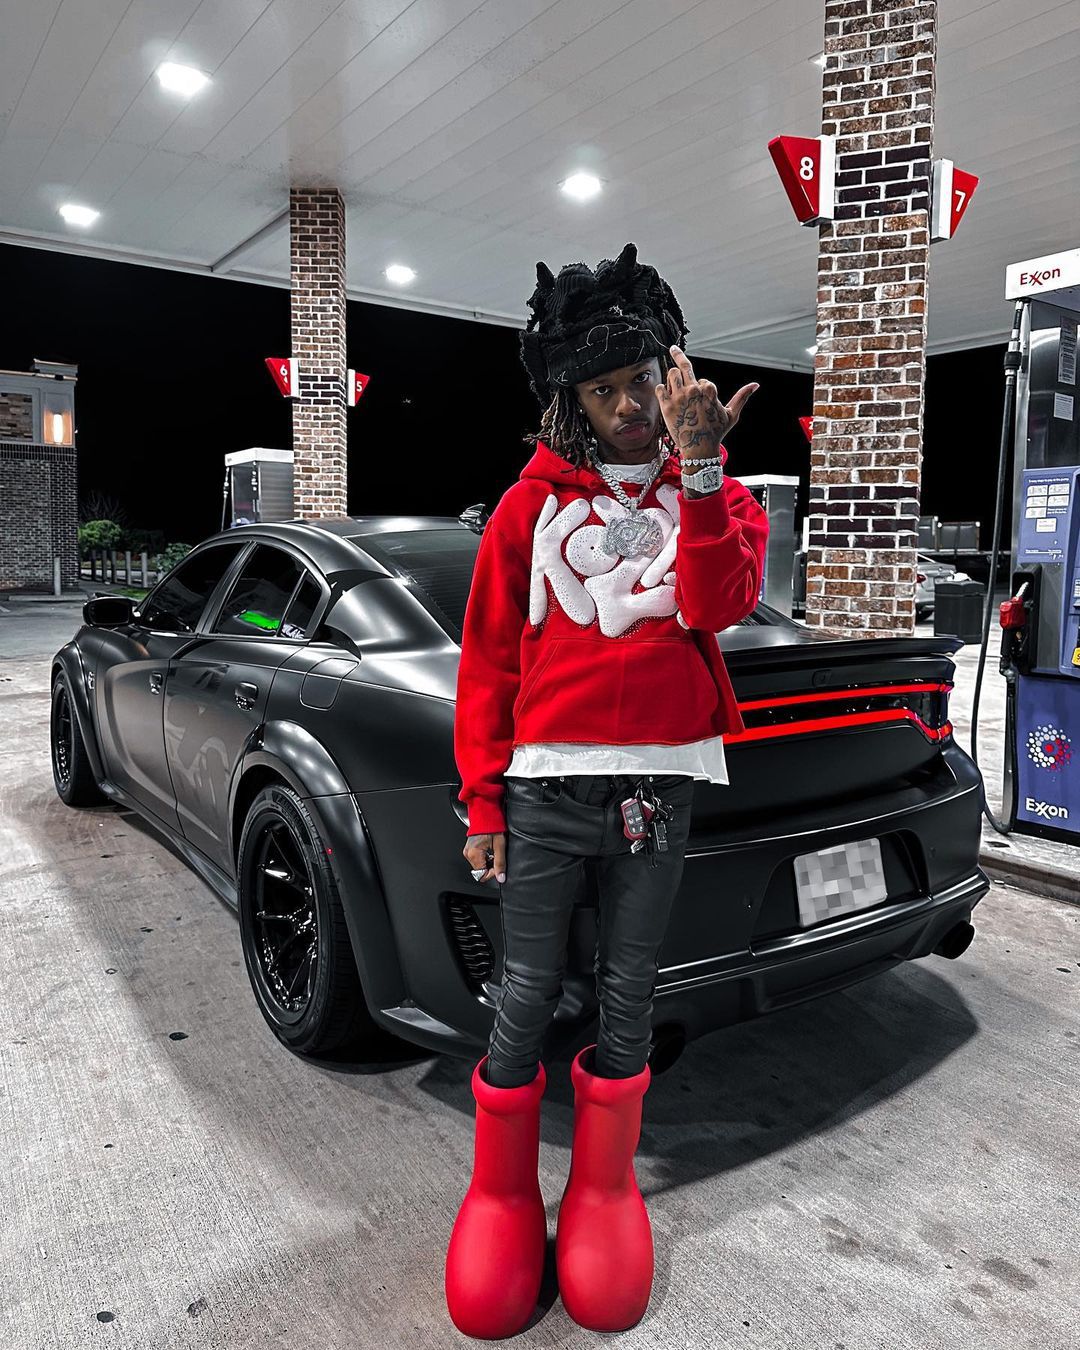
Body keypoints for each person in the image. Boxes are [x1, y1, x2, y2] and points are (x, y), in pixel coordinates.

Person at [445, 241, 769, 1338]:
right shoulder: (526, 508)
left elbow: (716, 605)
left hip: (660, 791)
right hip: (546, 790)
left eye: (643, 379)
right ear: (569, 401)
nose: (630, 407)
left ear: (675, 374)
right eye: (603, 389)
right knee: (527, 990)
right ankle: (500, 1195)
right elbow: (489, 658)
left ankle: (601, 1190)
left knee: (629, 992)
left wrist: (704, 472)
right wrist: (484, 799)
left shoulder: (711, 492)